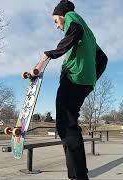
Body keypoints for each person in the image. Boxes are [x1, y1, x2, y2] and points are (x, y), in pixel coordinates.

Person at [40, 0, 108, 179]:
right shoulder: (90, 35)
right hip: (84, 82)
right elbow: (103, 58)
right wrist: (91, 79)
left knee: (66, 125)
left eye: (56, 21)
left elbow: (74, 31)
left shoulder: (72, 17)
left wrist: (54, 53)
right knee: (69, 124)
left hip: (73, 79)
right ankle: (78, 175)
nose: (57, 26)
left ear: (62, 15)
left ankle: (78, 176)